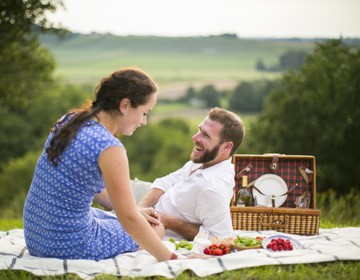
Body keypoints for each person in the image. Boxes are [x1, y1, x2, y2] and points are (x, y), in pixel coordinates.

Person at [23, 68, 206, 262]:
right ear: (125, 105)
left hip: (36, 235)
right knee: (155, 227)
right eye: (144, 113)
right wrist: (175, 259)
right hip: (65, 243)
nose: (144, 122)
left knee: (135, 217)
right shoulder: (109, 147)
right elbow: (129, 220)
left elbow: (85, 187)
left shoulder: (69, 121)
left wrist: (133, 211)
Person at [138, 107, 245, 241]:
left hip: (150, 233)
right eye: (200, 130)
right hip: (145, 212)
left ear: (226, 147)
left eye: (206, 135)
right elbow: (165, 182)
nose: (194, 137)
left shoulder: (213, 189)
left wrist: (169, 221)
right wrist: (139, 210)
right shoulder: (205, 160)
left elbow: (219, 237)